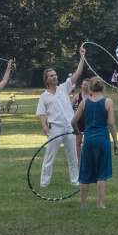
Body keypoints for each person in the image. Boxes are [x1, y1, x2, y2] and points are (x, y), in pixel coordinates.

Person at [37, 45, 89, 189]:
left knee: (72, 157)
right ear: (47, 80)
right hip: (55, 128)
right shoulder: (44, 96)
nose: (55, 77)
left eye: (55, 75)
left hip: (70, 127)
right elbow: (42, 113)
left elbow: (78, 73)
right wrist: (44, 126)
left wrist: (82, 56)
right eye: (51, 76)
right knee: (49, 156)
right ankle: (44, 182)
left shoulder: (64, 87)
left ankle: (75, 180)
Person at [71, 75, 118, 209]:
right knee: (102, 172)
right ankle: (100, 204)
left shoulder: (84, 102)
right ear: (103, 87)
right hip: (102, 139)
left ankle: (83, 204)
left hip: (88, 140)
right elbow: (111, 123)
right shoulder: (108, 102)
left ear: (91, 87)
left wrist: (77, 131)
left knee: (85, 171)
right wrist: (116, 142)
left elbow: (73, 121)